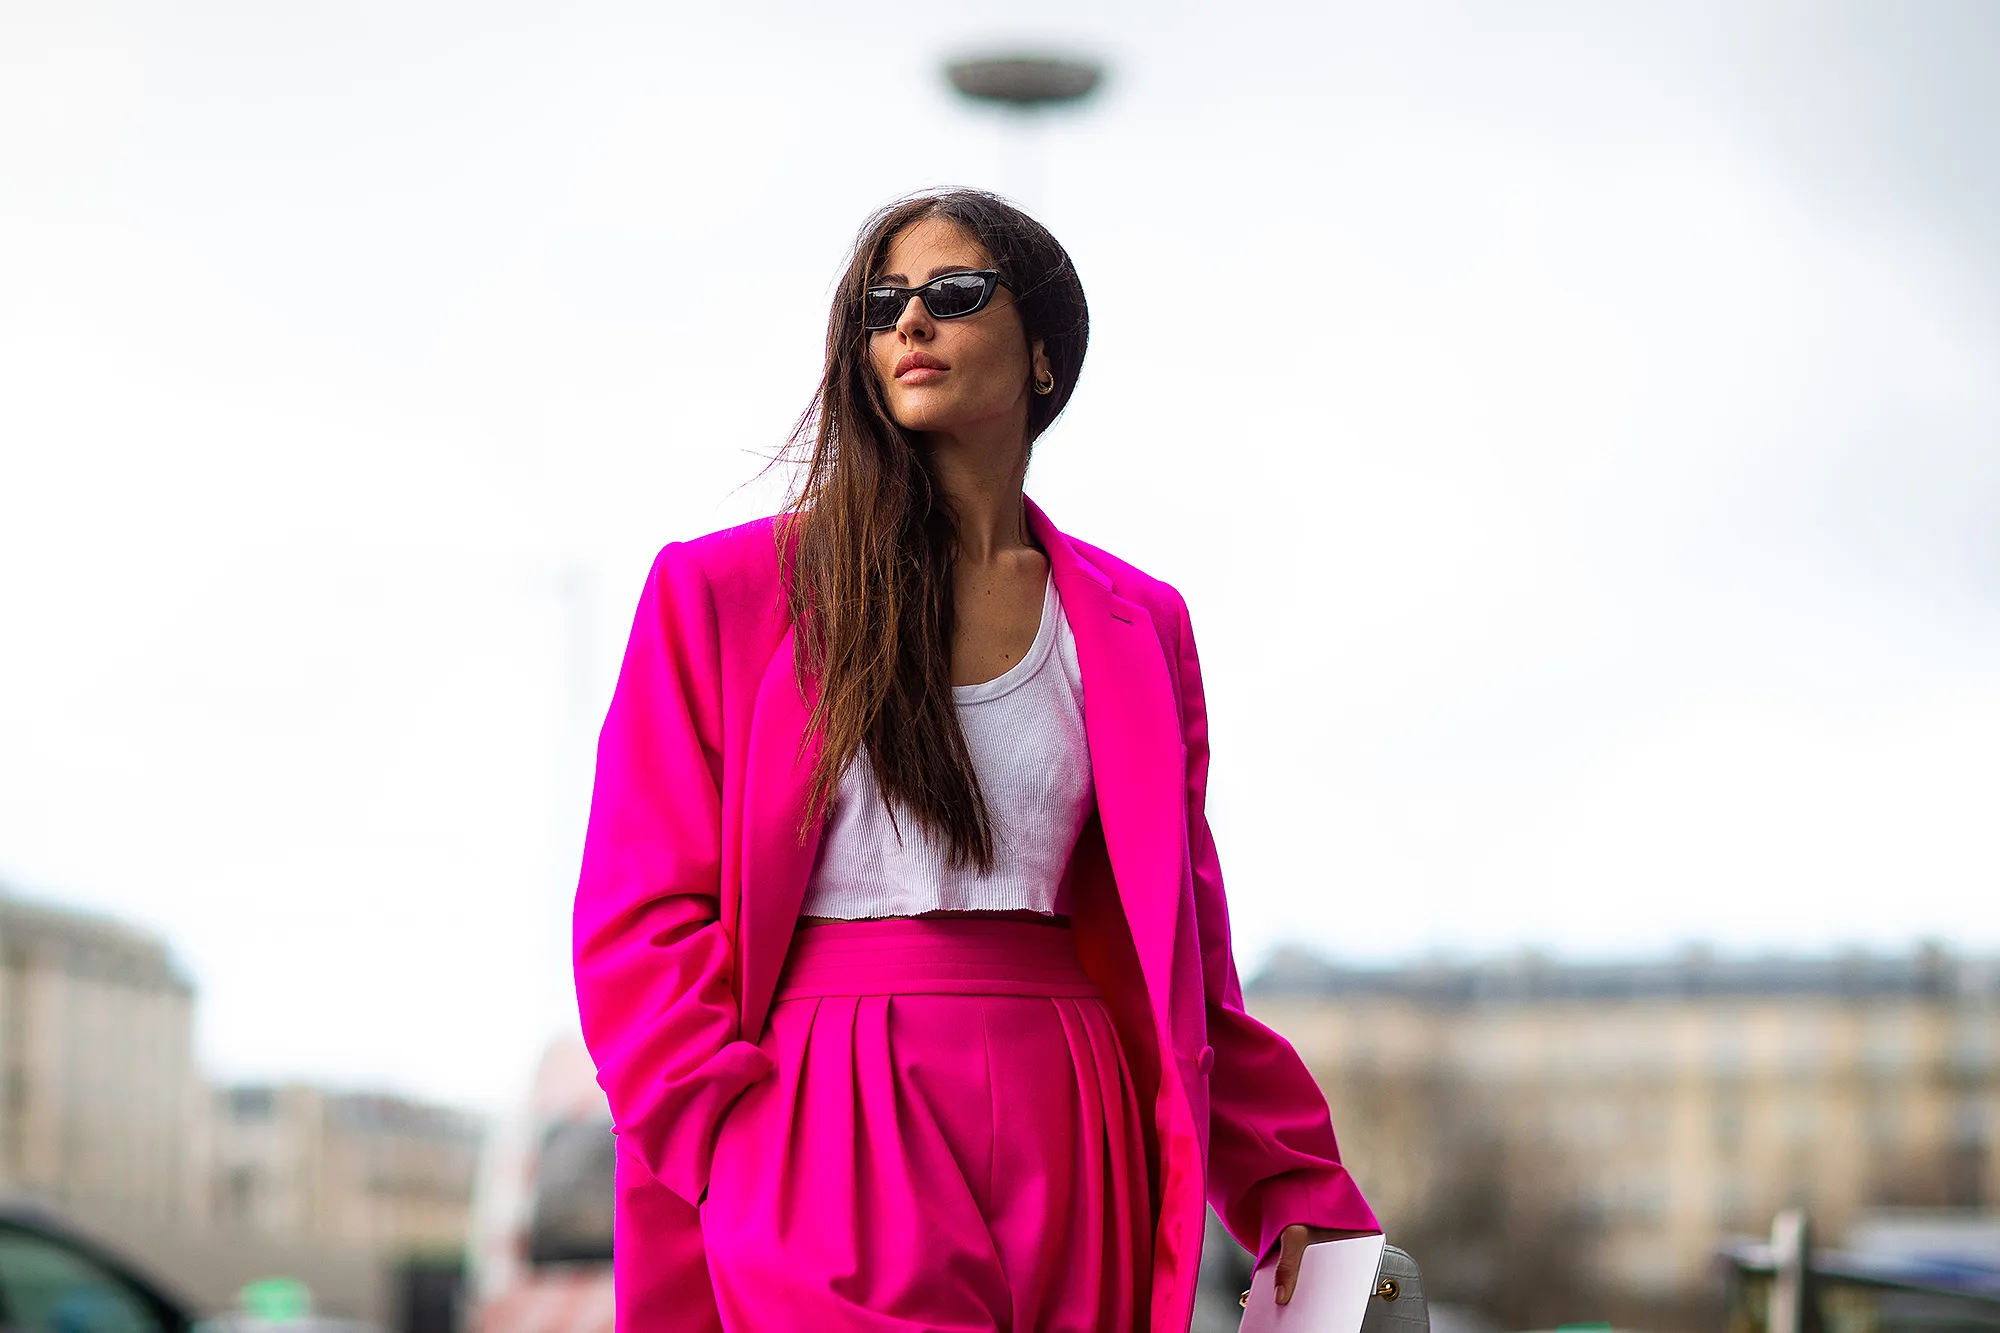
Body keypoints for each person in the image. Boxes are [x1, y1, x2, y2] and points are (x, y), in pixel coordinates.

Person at [573, 189, 1377, 1333]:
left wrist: (1293, 1189)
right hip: (821, 1116)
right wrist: (727, 1141)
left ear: (1043, 353)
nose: (909, 321)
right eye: (882, 304)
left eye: (952, 293)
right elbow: (637, 917)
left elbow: (1187, 963)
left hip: (1075, 1116)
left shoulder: (1137, 625)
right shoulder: (721, 593)